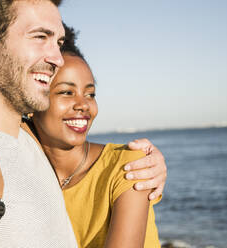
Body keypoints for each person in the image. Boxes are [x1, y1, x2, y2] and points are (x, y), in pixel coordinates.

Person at [0, 0, 167, 247]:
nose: (57, 58)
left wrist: (148, 163)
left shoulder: (32, 144)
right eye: (39, 37)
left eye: (57, 42)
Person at [30, 23, 161, 248]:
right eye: (66, 92)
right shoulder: (21, 168)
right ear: (32, 101)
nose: (83, 104)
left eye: (90, 93)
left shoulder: (128, 165)